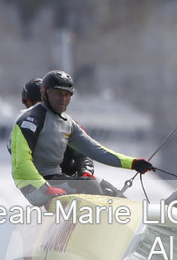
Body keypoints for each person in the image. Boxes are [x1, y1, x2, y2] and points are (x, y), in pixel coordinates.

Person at [10, 69, 153, 205]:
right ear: (44, 93)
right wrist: (46, 188)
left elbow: (95, 150)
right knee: (88, 186)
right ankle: (100, 222)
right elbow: (22, 164)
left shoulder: (68, 123)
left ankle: (135, 222)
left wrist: (133, 163)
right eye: (57, 94)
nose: (63, 99)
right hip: (33, 185)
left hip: (55, 179)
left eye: (67, 94)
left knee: (107, 189)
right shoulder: (30, 120)